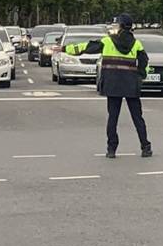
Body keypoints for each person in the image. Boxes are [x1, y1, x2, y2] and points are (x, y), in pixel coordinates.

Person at [64, 13, 152, 158]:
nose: (114, 28)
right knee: (137, 117)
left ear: (122, 26)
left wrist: (64, 49)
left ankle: (111, 149)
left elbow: (86, 47)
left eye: (116, 25)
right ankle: (145, 147)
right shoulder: (136, 44)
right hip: (131, 85)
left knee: (113, 118)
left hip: (113, 85)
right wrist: (140, 77)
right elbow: (144, 62)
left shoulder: (108, 41)